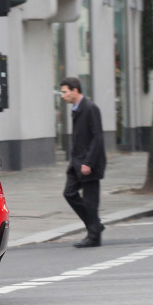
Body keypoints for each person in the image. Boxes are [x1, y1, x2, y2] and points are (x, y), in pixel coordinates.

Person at [60, 77, 106, 248]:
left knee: (90, 202)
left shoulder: (90, 108)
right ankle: (95, 225)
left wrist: (89, 162)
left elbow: (97, 137)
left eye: (65, 92)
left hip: (89, 163)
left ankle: (94, 236)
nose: (62, 96)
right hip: (77, 162)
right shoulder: (77, 108)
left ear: (75, 90)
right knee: (69, 193)